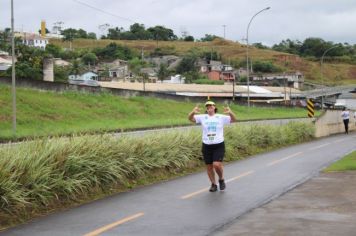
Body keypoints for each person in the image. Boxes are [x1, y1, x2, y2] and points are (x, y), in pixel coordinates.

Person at [188, 100, 237, 192]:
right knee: (209, 167)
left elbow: (234, 119)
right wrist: (193, 112)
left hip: (218, 144)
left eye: (211, 106)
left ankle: (221, 179)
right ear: (206, 109)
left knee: (217, 164)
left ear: (214, 107)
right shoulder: (203, 117)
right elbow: (190, 118)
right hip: (206, 145)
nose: (209, 107)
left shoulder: (220, 117)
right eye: (207, 106)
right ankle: (213, 184)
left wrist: (230, 112)